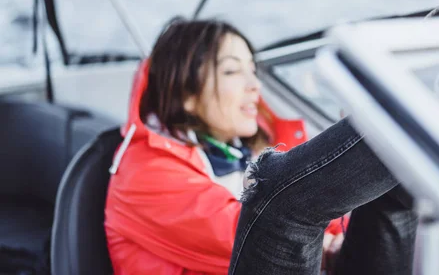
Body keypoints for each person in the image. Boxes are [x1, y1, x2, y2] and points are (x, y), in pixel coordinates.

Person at [104, 19, 416, 275]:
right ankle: (387, 116)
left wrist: (335, 240)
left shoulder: (253, 150)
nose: (255, 84)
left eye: (252, 70)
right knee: (281, 207)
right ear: (185, 92)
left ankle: (415, 108)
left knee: (392, 191)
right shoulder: (144, 174)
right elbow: (239, 231)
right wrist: (325, 247)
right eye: (231, 71)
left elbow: (332, 214)